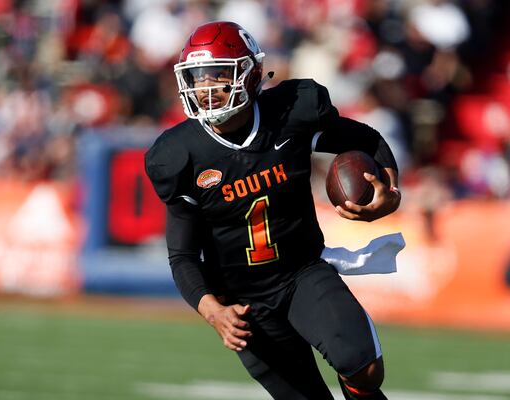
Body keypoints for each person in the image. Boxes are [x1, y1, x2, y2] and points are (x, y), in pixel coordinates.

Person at [145, 21, 401, 400]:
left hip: (302, 272)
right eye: (198, 78)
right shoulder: (179, 155)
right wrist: (212, 310)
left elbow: (368, 139)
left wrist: (390, 190)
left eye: (219, 75)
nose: (207, 88)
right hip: (243, 302)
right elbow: (182, 254)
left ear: (248, 76)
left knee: (364, 367)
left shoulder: (291, 113)